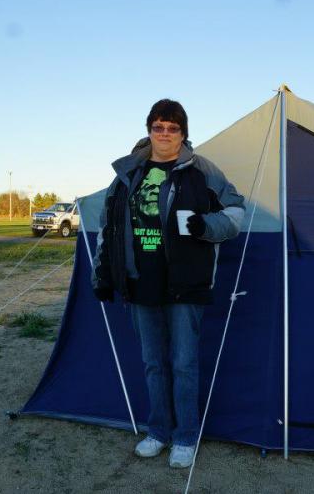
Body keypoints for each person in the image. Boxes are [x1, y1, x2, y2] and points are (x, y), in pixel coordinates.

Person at [91, 99, 245, 468]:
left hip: (185, 283)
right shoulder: (129, 173)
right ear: (149, 130)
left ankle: (186, 437)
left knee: (184, 363)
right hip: (140, 281)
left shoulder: (201, 169)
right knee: (152, 363)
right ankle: (158, 431)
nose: (165, 134)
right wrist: (101, 274)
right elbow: (107, 228)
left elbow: (236, 212)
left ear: (183, 133)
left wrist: (206, 227)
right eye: (158, 127)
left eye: (172, 128)